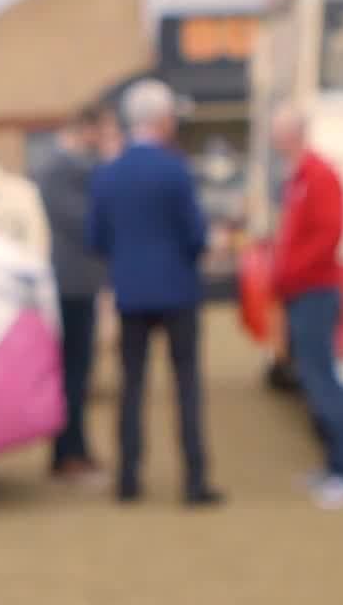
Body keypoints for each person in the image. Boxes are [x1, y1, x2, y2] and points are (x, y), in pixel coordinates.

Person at [88, 79, 224, 507]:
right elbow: (195, 234)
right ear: (162, 121)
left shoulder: (109, 173)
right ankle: (194, 481)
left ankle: (128, 480)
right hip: (178, 292)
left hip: (130, 292)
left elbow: (97, 237)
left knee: (131, 387)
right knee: (186, 386)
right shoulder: (175, 170)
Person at [268, 102, 343, 510]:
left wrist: (290, 274)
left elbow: (328, 235)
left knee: (324, 379)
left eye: (279, 131)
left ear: (292, 134)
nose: (274, 140)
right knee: (313, 380)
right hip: (301, 292)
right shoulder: (300, 177)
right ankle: (334, 466)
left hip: (315, 292)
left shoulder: (319, 175)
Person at [34, 103, 108, 484]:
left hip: (78, 283)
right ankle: (69, 454)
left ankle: (74, 451)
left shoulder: (67, 168)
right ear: (86, 130)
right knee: (74, 373)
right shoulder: (60, 169)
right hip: (72, 285)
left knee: (80, 371)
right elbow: (83, 221)